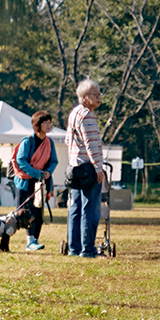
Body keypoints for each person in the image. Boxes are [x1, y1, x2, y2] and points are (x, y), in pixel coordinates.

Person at [66, 79, 106, 258]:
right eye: (95, 94)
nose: (99, 97)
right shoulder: (87, 115)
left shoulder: (74, 113)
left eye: (99, 93)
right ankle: (88, 249)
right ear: (84, 98)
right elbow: (91, 144)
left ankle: (74, 248)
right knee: (90, 209)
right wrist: (98, 168)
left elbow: (69, 140)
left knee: (75, 209)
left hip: (74, 167)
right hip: (88, 168)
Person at [12, 109, 58, 251]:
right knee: (26, 213)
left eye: (50, 123)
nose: (49, 125)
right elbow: (21, 160)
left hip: (40, 183)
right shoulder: (28, 141)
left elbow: (54, 161)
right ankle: (29, 241)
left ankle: (35, 241)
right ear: (38, 124)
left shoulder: (49, 142)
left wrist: (48, 173)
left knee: (39, 212)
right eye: (46, 123)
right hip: (26, 182)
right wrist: (36, 173)